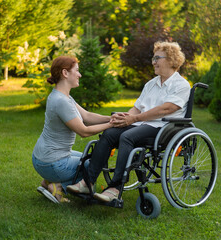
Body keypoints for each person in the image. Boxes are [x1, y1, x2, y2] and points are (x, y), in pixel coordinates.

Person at [67, 41, 191, 202]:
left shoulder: (181, 85)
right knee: (110, 133)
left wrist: (135, 118)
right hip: (142, 124)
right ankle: (87, 182)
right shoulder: (151, 84)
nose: (153, 62)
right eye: (153, 58)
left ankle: (115, 188)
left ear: (171, 60)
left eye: (157, 58)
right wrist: (125, 117)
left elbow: (166, 109)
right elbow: (137, 109)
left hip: (163, 128)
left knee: (128, 137)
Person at [32, 56, 114, 203]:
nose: (80, 74)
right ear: (65, 73)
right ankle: (57, 186)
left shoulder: (63, 96)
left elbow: (87, 116)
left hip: (44, 157)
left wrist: (111, 118)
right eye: (77, 70)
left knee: (88, 157)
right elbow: (84, 131)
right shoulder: (61, 101)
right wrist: (112, 125)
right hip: (51, 162)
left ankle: (48, 182)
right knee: (93, 164)